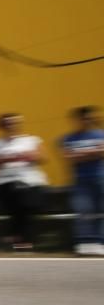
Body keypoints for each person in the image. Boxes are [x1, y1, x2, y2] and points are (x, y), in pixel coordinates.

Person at [0, 112, 47, 251]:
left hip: (30, 180)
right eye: (7, 123)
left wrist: (31, 156)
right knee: (19, 197)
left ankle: (12, 239)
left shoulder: (31, 140)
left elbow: (43, 158)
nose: (11, 126)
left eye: (14, 123)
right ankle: (22, 241)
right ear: (2, 126)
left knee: (25, 200)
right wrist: (2, 160)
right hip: (5, 181)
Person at [60, 106, 104, 256]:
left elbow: (101, 152)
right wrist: (93, 152)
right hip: (81, 179)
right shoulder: (69, 138)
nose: (87, 120)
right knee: (84, 211)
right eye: (84, 118)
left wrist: (81, 154)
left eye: (90, 117)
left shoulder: (101, 134)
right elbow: (69, 157)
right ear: (78, 119)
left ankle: (100, 241)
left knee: (101, 211)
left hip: (100, 176)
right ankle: (85, 242)